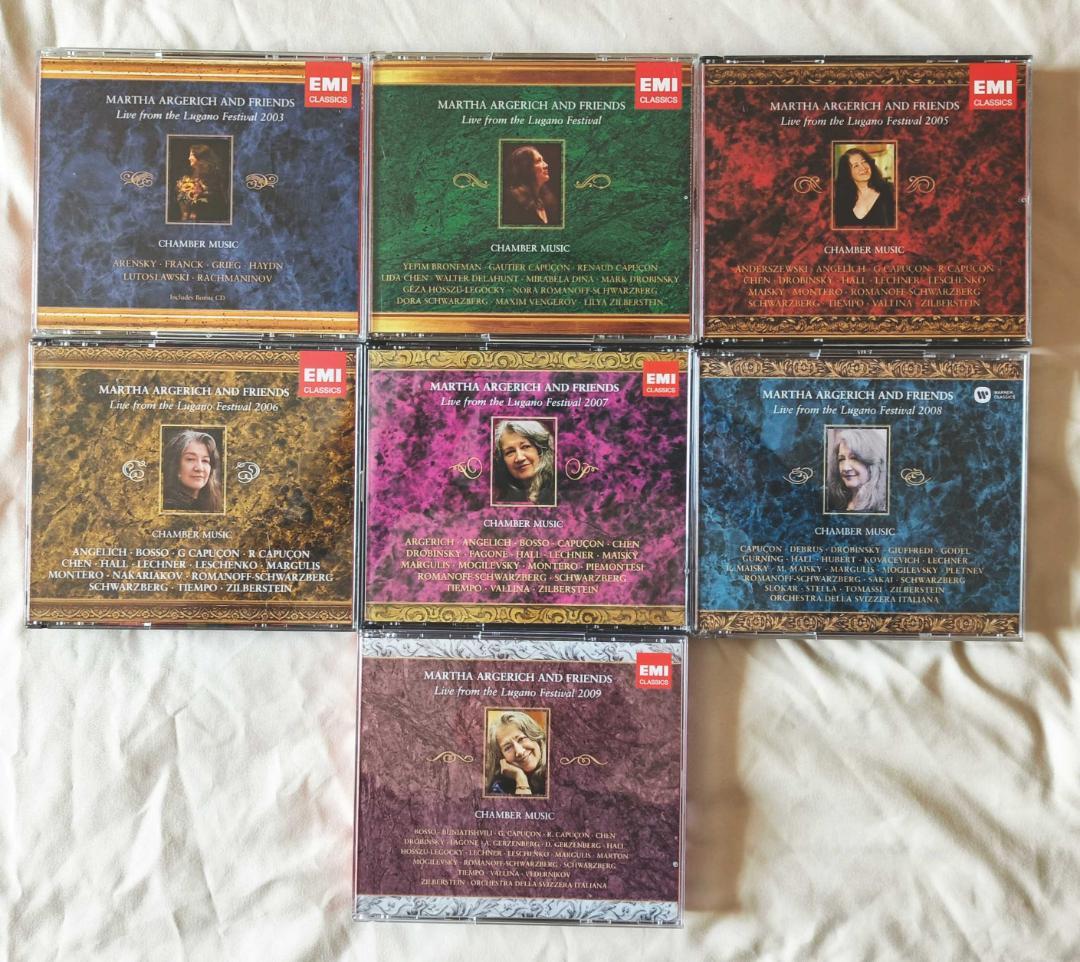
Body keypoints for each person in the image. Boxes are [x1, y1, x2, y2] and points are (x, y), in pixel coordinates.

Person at [492, 419, 556, 505]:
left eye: (525, 447)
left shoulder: (558, 491)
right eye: (510, 452)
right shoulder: (500, 498)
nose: (519, 458)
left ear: (540, 450)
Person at [825, 428, 888, 513]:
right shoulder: (832, 502)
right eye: (841, 459)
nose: (845, 468)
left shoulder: (885, 506)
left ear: (873, 463)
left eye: (854, 458)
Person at [486, 711, 548, 797]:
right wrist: (520, 779)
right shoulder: (499, 788)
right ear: (501, 757)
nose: (519, 752)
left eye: (521, 739)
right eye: (508, 747)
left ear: (536, 737)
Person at [162, 429, 224, 512]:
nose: (199, 468)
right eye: (190, 459)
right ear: (175, 464)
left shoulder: (214, 505)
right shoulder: (167, 506)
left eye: (205, 460)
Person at [833, 147, 895, 228]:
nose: (863, 168)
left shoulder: (890, 190)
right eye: (856, 166)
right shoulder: (840, 200)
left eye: (864, 162)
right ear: (847, 173)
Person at [502, 145, 561, 227]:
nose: (546, 165)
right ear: (525, 168)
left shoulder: (547, 201)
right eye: (538, 161)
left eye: (543, 160)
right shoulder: (511, 202)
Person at [175, 143, 229, 222]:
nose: (189, 158)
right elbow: (182, 197)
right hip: (188, 216)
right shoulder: (188, 174)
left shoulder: (213, 175)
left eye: (191, 155)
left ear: (200, 157)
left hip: (207, 216)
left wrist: (199, 194)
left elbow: (216, 199)